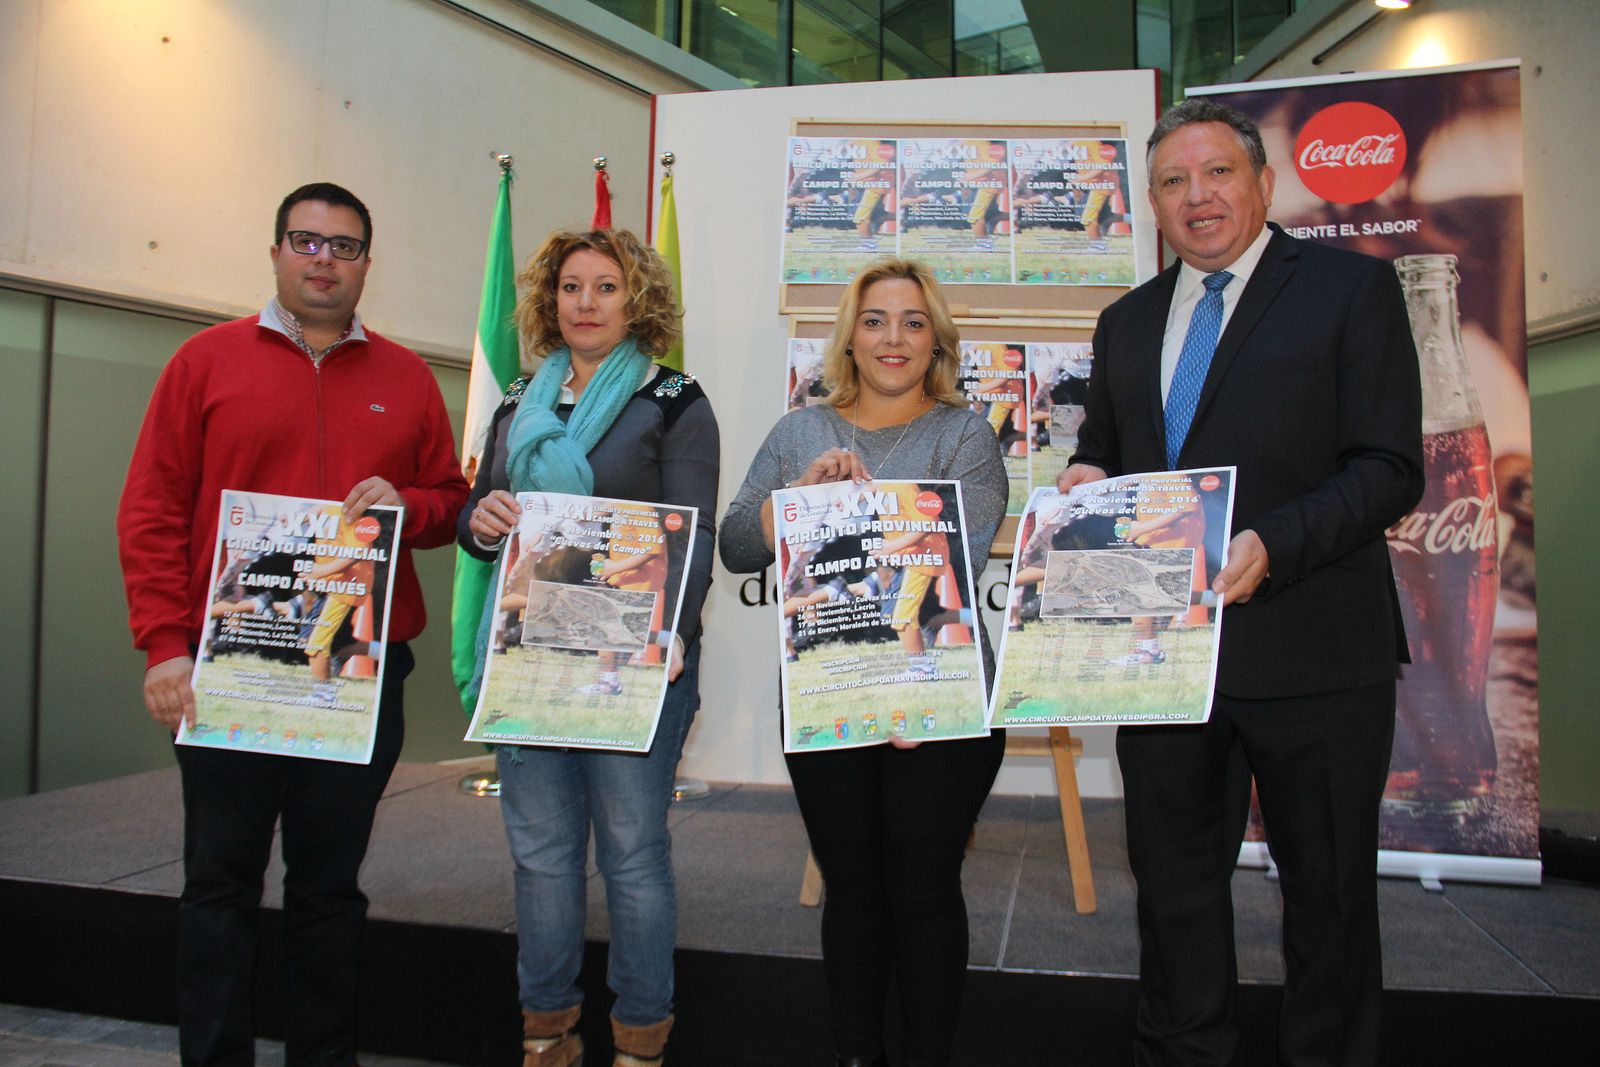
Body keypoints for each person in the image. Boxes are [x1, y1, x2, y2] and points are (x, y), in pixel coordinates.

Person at [1059, 99, 1424, 1065]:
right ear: (1152, 203)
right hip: (1165, 657)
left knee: (1327, 892)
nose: (1197, 197)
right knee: (1174, 888)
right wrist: (1088, 476)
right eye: (1173, 182)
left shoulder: (1350, 291)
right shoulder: (1126, 321)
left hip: (1314, 644)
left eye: (1217, 173)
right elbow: (1106, 448)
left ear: (1264, 182)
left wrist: (1275, 540)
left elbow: (1389, 466)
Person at [116, 181, 470, 1066]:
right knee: (219, 883)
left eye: (343, 246)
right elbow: (151, 510)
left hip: (357, 667)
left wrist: (410, 501)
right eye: (307, 241)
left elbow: (449, 504)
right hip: (232, 659)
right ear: (275, 251)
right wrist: (166, 644)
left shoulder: (407, 377)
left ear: (365, 265)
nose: (324, 259)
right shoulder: (203, 363)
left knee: (326, 887)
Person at [721, 259, 1008, 1067]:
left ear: (935, 339)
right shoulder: (798, 434)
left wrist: (861, 507)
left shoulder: (966, 434)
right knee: (851, 888)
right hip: (830, 690)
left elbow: (962, 551)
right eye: (876, 320)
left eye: (914, 322)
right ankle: (856, 1055)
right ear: (850, 335)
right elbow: (737, 543)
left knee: (921, 889)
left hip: (939, 693)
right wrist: (795, 502)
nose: (894, 338)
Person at [458, 228, 718, 1067]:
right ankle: (548, 1035)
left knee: (634, 857)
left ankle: (642, 1040)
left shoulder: (676, 398)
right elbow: (477, 518)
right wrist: (482, 520)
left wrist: (673, 630)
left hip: (636, 661)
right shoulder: (516, 403)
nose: (586, 303)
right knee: (540, 858)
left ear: (635, 300)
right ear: (550, 299)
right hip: (531, 653)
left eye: (605, 287)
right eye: (571, 286)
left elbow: (692, 534)